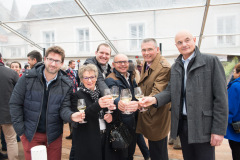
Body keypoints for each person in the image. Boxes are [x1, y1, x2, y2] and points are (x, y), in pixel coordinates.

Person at [140, 31, 228, 160]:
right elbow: (170, 91)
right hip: (183, 125)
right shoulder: (176, 66)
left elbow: (221, 98)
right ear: (176, 45)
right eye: (180, 42)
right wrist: (153, 99)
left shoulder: (210, 61)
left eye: (187, 40)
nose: (184, 44)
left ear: (194, 40)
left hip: (203, 126)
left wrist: (218, 130)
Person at [9, 46, 84, 160]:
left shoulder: (66, 84)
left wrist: (70, 115)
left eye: (57, 61)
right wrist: (21, 131)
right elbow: (15, 103)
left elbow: (64, 108)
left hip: (54, 135)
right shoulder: (28, 78)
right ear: (44, 59)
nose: (53, 64)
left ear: (62, 63)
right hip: (31, 134)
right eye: (50, 59)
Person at [71, 64, 117, 160]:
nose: (89, 80)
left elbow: (111, 114)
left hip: (106, 136)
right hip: (88, 139)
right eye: (86, 78)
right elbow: (80, 116)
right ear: (81, 79)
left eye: (92, 77)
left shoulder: (102, 93)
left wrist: (112, 117)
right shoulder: (76, 95)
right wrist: (98, 105)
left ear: (96, 78)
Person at [136, 38, 171, 160]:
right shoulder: (148, 62)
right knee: (154, 149)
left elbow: (158, 93)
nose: (146, 53)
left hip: (157, 114)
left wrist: (139, 103)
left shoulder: (163, 67)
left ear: (157, 49)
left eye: (150, 49)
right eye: (143, 50)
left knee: (158, 152)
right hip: (149, 112)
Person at [105, 54, 141, 160]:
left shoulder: (130, 77)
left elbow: (135, 95)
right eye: (119, 62)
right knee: (122, 154)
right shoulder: (111, 79)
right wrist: (117, 101)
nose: (123, 64)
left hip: (132, 120)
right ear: (113, 64)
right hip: (121, 122)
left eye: (125, 62)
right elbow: (113, 95)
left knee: (130, 153)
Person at [0, 53, 19, 160]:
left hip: (7, 113)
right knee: (11, 140)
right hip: (8, 113)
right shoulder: (11, 73)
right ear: (1, 59)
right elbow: (20, 93)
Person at [224, 63, 240, 160]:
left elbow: (230, 109)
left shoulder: (236, 87)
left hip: (236, 132)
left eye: (234, 71)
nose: (233, 74)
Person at [65, 60, 80, 139]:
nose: (74, 65)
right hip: (70, 95)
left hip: (75, 94)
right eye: (73, 64)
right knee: (71, 113)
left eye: (75, 64)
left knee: (75, 112)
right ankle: (72, 133)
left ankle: (73, 133)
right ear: (70, 64)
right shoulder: (67, 71)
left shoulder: (75, 72)